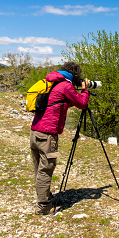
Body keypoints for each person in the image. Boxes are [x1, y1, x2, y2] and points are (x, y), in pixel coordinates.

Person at [30, 61, 90, 215]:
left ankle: (46, 198)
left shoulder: (52, 82)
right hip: (47, 134)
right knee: (46, 169)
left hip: (35, 132)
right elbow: (82, 104)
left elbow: (57, 103)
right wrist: (85, 90)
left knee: (40, 169)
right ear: (75, 75)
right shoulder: (66, 86)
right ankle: (43, 206)